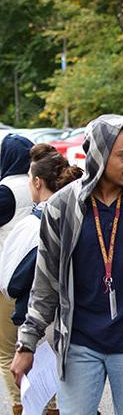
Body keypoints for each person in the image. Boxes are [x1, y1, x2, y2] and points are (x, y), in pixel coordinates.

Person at [10, 114, 123, 415]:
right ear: (99, 153)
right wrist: (27, 343)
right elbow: (45, 284)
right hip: (79, 344)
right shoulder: (62, 207)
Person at [0, 143, 83, 415]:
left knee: (16, 360)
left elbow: (14, 280)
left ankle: (23, 407)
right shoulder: (77, 211)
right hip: (78, 310)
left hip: (37, 311)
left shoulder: (37, 221)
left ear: (37, 181)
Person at [0, 133, 33, 414]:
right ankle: (53, 405)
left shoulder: (4, 191)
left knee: (7, 351)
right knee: (43, 349)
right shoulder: (41, 183)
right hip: (43, 276)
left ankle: (19, 405)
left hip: (10, 279)